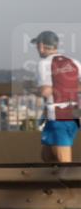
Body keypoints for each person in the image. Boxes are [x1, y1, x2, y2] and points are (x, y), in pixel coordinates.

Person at [33, 30, 81, 167]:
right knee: (47, 157)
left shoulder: (44, 63)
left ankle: (74, 187)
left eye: (37, 45)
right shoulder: (74, 62)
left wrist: (33, 89)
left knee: (64, 163)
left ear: (41, 46)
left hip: (58, 116)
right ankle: (51, 186)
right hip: (73, 115)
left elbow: (45, 91)